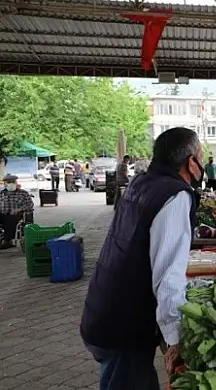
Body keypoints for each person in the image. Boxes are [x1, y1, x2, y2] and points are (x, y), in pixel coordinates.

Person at [80, 127, 203, 390]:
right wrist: (174, 337)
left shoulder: (142, 182)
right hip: (123, 326)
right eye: (200, 156)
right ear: (191, 162)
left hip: (104, 309)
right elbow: (167, 274)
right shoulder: (175, 195)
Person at [0, 174, 34, 249]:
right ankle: (3, 239)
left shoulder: (23, 193)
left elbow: (30, 205)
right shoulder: (1, 193)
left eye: (12, 181)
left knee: (9, 220)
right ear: (5, 184)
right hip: (2, 215)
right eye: (8, 182)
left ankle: (7, 240)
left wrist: (20, 209)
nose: (10, 184)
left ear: (16, 182)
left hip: (16, 216)